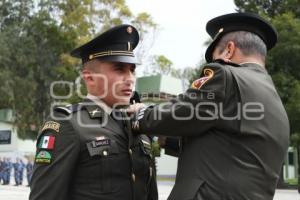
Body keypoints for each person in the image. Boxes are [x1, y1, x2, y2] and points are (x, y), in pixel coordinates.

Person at [129, 13, 289, 200]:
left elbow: (181, 112)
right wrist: (170, 141)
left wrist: (142, 113)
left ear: (229, 50)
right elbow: (233, 150)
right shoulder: (275, 103)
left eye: (214, 58)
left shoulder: (226, 76)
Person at [29, 25, 158, 200]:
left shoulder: (138, 125)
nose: (130, 78)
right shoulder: (68, 123)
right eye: (119, 69)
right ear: (90, 78)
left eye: (132, 70)